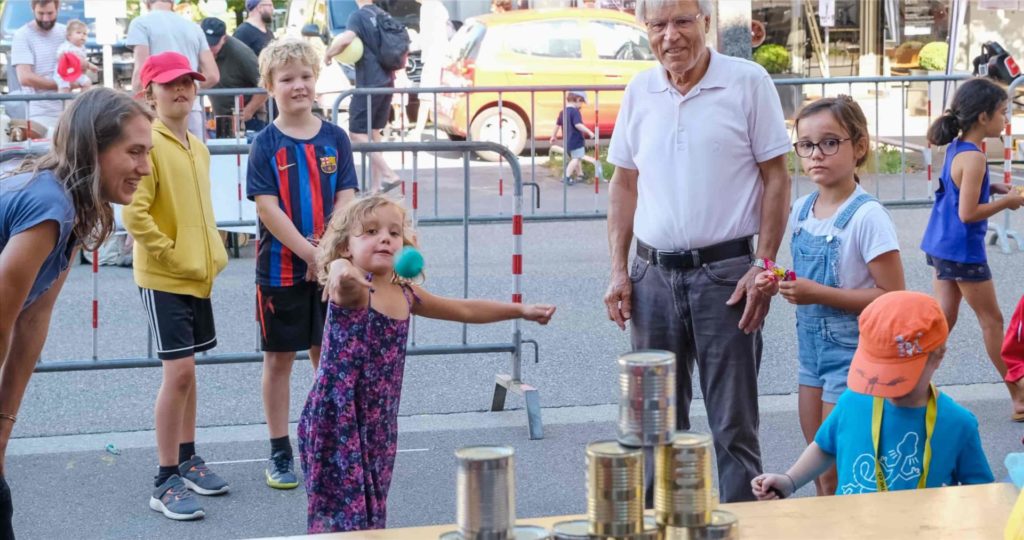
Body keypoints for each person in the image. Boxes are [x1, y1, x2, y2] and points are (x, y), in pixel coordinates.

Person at [603, 0, 791, 503]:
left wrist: (764, 265)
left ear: (705, 23)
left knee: (733, 426)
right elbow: (624, 184)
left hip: (727, 275)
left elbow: (777, 178)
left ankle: (742, 527)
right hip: (651, 276)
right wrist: (618, 271)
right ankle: (659, 528)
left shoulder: (747, 82)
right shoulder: (640, 90)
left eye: (683, 21)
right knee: (653, 425)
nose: (670, 36)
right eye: (658, 25)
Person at [300, 194, 556, 532]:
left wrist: (520, 310)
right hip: (338, 421)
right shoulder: (356, 290)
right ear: (347, 246)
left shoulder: (407, 294)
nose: (385, 238)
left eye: (393, 232)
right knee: (341, 521)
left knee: (372, 514)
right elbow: (342, 280)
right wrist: (339, 268)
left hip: (378, 424)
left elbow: (464, 309)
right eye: (371, 231)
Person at [0, 87, 154, 540]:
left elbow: (33, 319)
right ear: (92, 149)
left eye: (147, 152)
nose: (145, 167)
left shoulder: (74, 206)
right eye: (134, 152)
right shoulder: (49, 206)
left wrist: (4, 427)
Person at [754, 96, 905, 496]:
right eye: (806, 145)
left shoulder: (868, 216)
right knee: (819, 468)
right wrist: (775, 279)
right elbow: (800, 278)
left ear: (859, 147)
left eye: (829, 142)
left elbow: (893, 296)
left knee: (841, 469)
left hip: (854, 355)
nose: (816, 154)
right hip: (812, 356)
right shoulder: (802, 209)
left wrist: (816, 292)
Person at [245, 38, 359, 490]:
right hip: (279, 269)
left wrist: (328, 253)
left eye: (306, 76)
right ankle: (280, 449)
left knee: (326, 355)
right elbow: (267, 208)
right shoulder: (265, 143)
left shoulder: (336, 138)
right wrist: (310, 254)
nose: (298, 86)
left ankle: (326, 440)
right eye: (287, 78)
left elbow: (347, 198)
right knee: (278, 360)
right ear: (270, 86)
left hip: (332, 269)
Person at [122, 52, 230, 521]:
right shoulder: (148, 145)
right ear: (150, 94)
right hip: (165, 275)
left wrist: (208, 253)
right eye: (169, 84)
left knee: (189, 373)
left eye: (187, 81)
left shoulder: (198, 147)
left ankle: (187, 458)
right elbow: (135, 212)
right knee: (179, 373)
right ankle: (165, 478)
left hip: (195, 275)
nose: (181, 90)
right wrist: (171, 253)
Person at [751, 291, 995, 498]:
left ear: (938, 356)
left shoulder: (958, 423)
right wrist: (789, 481)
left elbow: (981, 493)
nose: (886, 386)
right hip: (851, 528)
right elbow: (824, 447)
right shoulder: (853, 401)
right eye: (878, 373)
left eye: (898, 378)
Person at [920, 77, 1024, 421]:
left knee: (943, 321)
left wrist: (991, 188)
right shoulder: (975, 157)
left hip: (941, 244)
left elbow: (959, 189)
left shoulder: (957, 147)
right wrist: (1007, 202)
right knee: (992, 322)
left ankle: (909, 385)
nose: (1005, 119)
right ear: (983, 117)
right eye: (1002, 112)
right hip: (963, 251)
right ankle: (1019, 396)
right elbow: (968, 213)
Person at [323, 0, 401, 192]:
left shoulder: (358, 16)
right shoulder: (383, 14)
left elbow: (346, 39)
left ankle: (389, 174)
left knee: (356, 134)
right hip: (387, 81)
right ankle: (375, 187)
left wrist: (329, 53)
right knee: (374, 133)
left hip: (369, 83)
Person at [127, 0, 221, 140]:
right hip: (191, 111)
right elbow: (213, 75)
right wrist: (187, 89)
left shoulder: (141, 24)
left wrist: (139, 109)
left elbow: (140, 76)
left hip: (158, 111)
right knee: (194, 152)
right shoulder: (194, 27)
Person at [11, 0, 71, 137]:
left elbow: (76, 66)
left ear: (58, 8)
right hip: (39, 112)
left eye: (50, 13)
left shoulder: (65, 33)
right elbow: (25, 78)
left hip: (68, 109)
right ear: (33, 9)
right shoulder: (22, 35)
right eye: (41, 13)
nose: (45, 19)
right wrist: (61, 84)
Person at [201, 17, 269, 135]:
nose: (209, 47)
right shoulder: (201, 50)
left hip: (249, 121)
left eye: (213, 44)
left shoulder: (241, 54)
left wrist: (249, 111)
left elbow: (266, 83)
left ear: (224, 39)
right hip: (222, 119)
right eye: (206, 42)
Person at [409, 0, 451, 140]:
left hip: (433, 57)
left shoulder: (429, 8)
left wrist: (410, 41)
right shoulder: (438, 7)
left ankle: (418, 131)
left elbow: (426, 38)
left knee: (426, 96)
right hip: (441, 56)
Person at [549, 90, 595, 185]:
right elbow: (578, 124)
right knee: (576, 158)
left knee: (576, 157)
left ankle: (580, 174)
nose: (581, 105)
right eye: (582, 102)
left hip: (567, 141)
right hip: (576, 140)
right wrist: (589, 132)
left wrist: (553, 136)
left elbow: (557, 125)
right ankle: (566, 176)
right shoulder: (575, 112)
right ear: (578, 99)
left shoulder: (563, 112)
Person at [53, 20, 96, 92]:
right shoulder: (66, 46)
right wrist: (64, 56)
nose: (82, 35)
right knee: (64, 87)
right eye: (78, 33)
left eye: (85, 34)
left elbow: (83, 62)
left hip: (77, 73)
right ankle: (63, 98)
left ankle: (83, 97)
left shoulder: (82, 48)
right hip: (64, 73)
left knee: (87, 82)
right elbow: (59, 56)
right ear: (69, 36)